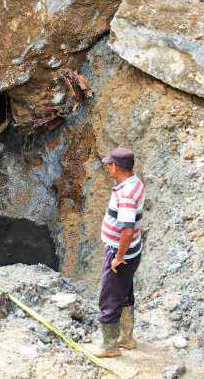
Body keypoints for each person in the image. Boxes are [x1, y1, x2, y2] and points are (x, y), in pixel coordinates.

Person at [84, 147, 145, 358]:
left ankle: (109, 346)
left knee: (109, 297)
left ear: (116, 166)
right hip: (133, 252)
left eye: (110, 164)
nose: (108, 167)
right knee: (125, 293)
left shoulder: (126, 194)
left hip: (121, 254)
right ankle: (126, 338)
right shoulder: (135, 183)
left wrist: (118, 257)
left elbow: (127, 230)